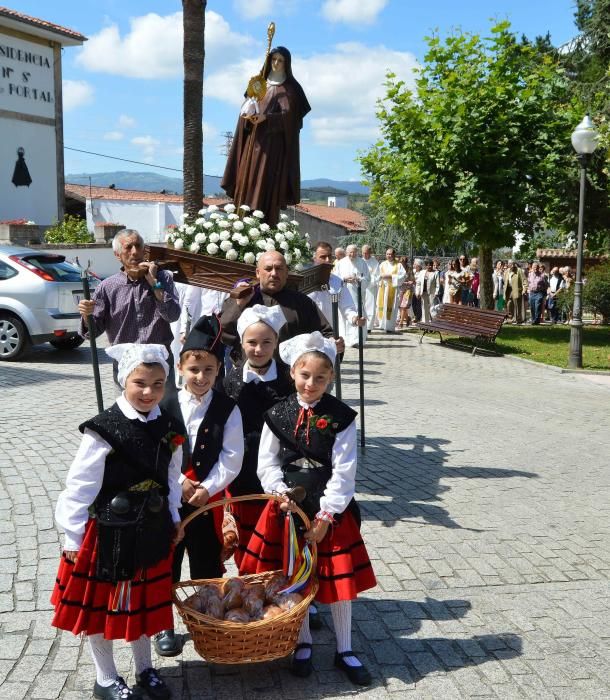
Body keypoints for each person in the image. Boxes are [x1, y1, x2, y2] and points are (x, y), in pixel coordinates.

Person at [240, 332, 376, 686]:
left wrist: (327, 515)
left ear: (331, 377)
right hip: (288, 505)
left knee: (337, 579)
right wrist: (279, 491)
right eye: (305, 375)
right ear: (292, 374)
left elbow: (345, 470)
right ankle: (303, 642)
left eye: (320, 377)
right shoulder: (278, 413)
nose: (311, 383)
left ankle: (345, 648)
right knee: (292, 574)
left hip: (328, 506)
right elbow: (266, 462)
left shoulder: (341, 417)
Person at [51, 343, 183, 700]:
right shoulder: (103, 428)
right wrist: (73, 537)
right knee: (103, 606)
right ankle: (105, 677)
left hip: (152, 528)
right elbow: (80, 484)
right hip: (110, 530)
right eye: (140, 382)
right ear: (124, 380)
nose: (148, 392)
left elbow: (172, 478)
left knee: (142, 603)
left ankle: (144, 669)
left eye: (158, 384)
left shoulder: (169, 426)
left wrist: (174, 517)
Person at [154, 315, 244, 657]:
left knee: (206, 562)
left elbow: (232, 455)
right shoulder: (164, 405)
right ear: (180, 368)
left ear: (218, 369)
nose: (201, 377)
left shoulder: (227, 408)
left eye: (208, 370)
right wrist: (180, 482)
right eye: (194, 370)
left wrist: (207, 487)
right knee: (169, 560)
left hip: (207, 500)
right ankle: (164, 623)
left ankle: (208, 618)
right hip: (171, 499)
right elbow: (157, 450)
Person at [78, 229, 181, 389]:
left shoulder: (162, 278)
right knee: (127, 413)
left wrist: (154, 283)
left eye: (138, 246)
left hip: (159, 361)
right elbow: (91, 333)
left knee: (164, 412)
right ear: (117, 255)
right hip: (126, 363)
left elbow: (172, 315)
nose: (135, 252)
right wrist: (87, 315)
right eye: (128, 247)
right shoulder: (107, 287)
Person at [221, 47, 310, 228]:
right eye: (274, 59)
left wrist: (267, 118)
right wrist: (248, 115)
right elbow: (246, 107)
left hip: (273, 149)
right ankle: (241, 225)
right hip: (253, 143)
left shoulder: (291, 88)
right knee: (246, 181)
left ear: (287, 63)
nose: (276, 63)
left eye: (281, 60)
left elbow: (291, 119)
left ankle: (264, 226)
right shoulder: (259, 83)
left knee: (266, 184)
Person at [220, 251, 334, 364]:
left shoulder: (302, 302)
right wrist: (239, 306)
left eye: (279, 269)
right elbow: (223, 332)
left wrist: (332, 342)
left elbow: (325, 333)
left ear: (286, 273)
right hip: (248, 374)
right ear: (258, 273)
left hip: (289, 376)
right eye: (268, 269)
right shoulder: (242, 298)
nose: (274, 274)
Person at [307, 241, 365, 346]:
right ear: (314, 258)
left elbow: (347, 305)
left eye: (330, 256)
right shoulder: (305, 281)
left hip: (329, 333)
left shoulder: (337, 281)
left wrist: (354, 318)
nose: (328, 260)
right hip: (307, 334)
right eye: (323, 257)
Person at [334, 244, 370, 346]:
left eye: (354, 252)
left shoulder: (362, 263)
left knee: (358, 313)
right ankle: (345, 339)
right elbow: (335, 278)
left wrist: (358, 280)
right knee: (345, 314)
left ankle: (357, 340)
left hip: (357, 295)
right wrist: (344, 279)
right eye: (350, 252)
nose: (352, 254)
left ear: (357, 252)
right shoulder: (341, 263)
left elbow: (367, 278)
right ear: (346, 252)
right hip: (344, 294)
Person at [376, 248, 406, 332]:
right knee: (382, 305)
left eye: (390, 254)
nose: (389, 256)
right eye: (387, 254)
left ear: (394, 255)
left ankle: (389, 327)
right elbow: (377, 274)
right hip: (382, 288)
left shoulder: (398, 265)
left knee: (391, 307)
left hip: (392, 288)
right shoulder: (382, 264)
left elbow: (403, 276)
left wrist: (391, 276)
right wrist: (381, 276)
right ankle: (382, 325)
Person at [361, 245, 380, 331]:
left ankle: (368, 327)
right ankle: (361, 324)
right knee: (361, 306)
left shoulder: (374, 262)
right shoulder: (359, 261)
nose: (365, 255)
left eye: (367, 253)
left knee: (370, 307)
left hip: (371, 288)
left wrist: (369, 283)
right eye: (363, 253)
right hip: (361, 287)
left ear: (370, 253)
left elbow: (377, 275)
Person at [397, 257, 414, 328]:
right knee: (400, 306)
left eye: (403, 263)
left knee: (404, 306)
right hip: (400, 289)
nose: (401, 264)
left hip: (408, 289)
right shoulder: (398, 269)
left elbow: (413, 280)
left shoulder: (409, 269)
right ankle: (407, 318)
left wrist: (410, 282)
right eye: (400, 263)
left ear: (405, 263)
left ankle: (401, 323)